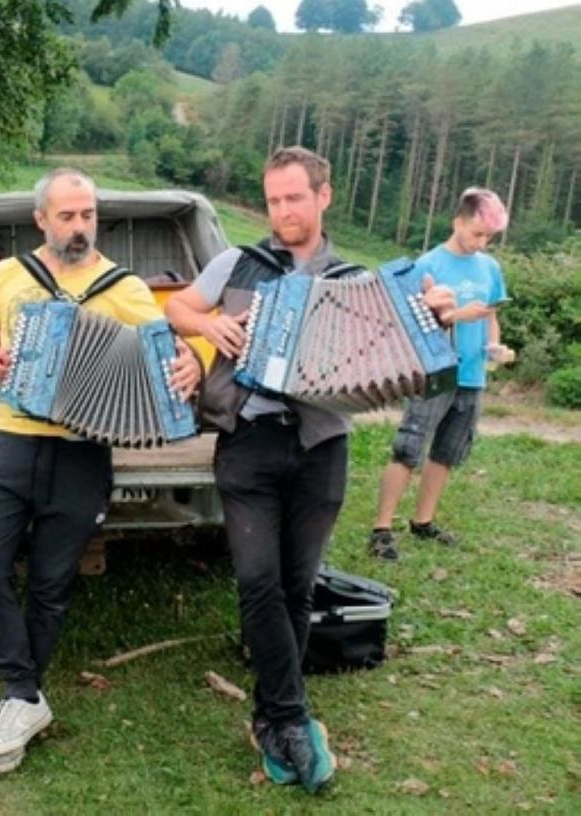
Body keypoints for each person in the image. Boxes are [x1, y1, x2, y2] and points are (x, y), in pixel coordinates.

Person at [165, 147, 454, 795]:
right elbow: (176, 309)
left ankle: (272, 716)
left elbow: (409, 325)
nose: (282, 212)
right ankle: (291, 717)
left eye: (294, 198)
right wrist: (208, 321)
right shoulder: (237, 263)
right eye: (273, 200)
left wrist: (431, 310)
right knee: (258, 580)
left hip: (322, 446)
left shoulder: (356, 280)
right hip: (247, 444)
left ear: (324, 196)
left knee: (297, 585)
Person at [0, 167, 203, 774]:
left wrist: (192, 364)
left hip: (84, 449)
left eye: (87, 214)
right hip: (13, 438)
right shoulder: (10, 276)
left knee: (52, 582)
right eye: (66, 216)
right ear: (40, 218)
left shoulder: (123, 289)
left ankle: (18, 701)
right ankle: (24, 694)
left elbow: (167, 354)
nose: (79, 226)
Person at [369, 188, 510, 560]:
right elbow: (411, 325)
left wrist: (495, 347)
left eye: (489, 237)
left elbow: (492, 315)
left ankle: (423, 521)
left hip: (472, 375)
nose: (482, 243)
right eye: (477, 233)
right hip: (434, 373)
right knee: (408, 449)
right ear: (457, 222)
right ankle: (381, 528)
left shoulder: (490, 268)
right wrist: (456, 317)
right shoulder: (428, 265)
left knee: (447, 452)